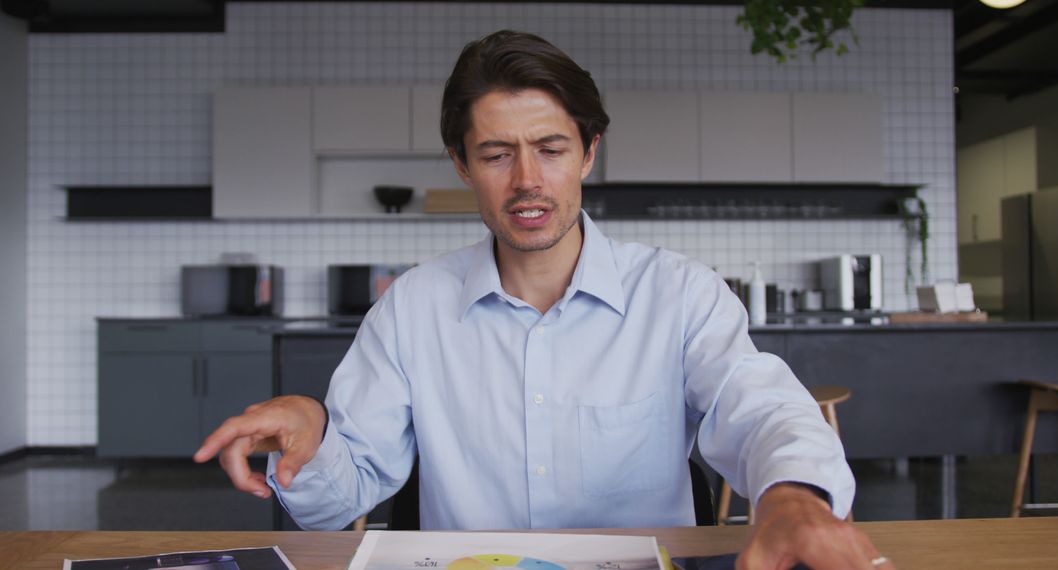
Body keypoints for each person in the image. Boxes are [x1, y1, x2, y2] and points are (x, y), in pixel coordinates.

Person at [195, 30, 894, 570]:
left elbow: (763, 409)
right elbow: (332, 507)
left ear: (589, 152)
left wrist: (794, 497)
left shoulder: (679, 295)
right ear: (462, 164)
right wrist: (313, 432)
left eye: (550, 148)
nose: (527, 180)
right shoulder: (411, 310)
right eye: (497, 154)